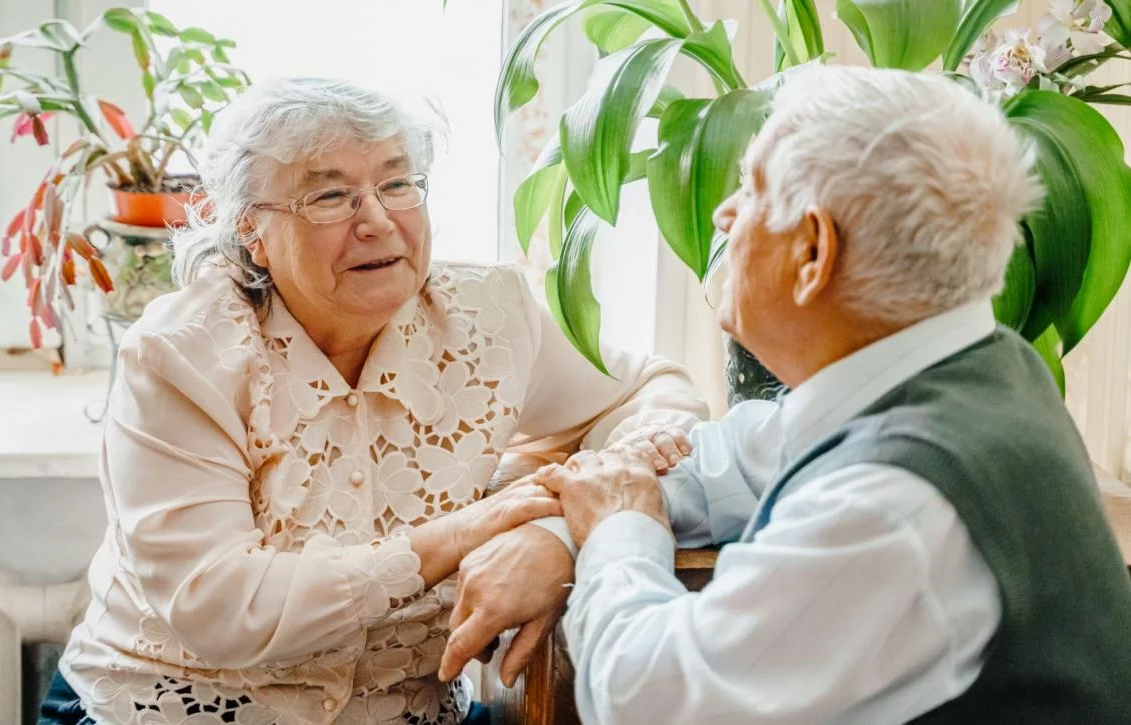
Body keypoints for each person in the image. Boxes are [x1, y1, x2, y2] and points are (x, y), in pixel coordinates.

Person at [439, 65, 1131, 724]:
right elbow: (731, 460)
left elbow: (648, 697)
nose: (723, 216)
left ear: (812, 252)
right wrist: (571, 525)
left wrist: (619, 527)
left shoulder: (893, 506)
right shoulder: (965, 368)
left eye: (751, 190)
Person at [38, 77, 706, 725]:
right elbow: (221, 605)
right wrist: (467, 531)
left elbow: (655, 389)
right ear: (251, 232)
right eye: (331, 196)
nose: (379, 221)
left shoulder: (490, 316)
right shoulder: (183, 355)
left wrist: (552, 533)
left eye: (397, 183)